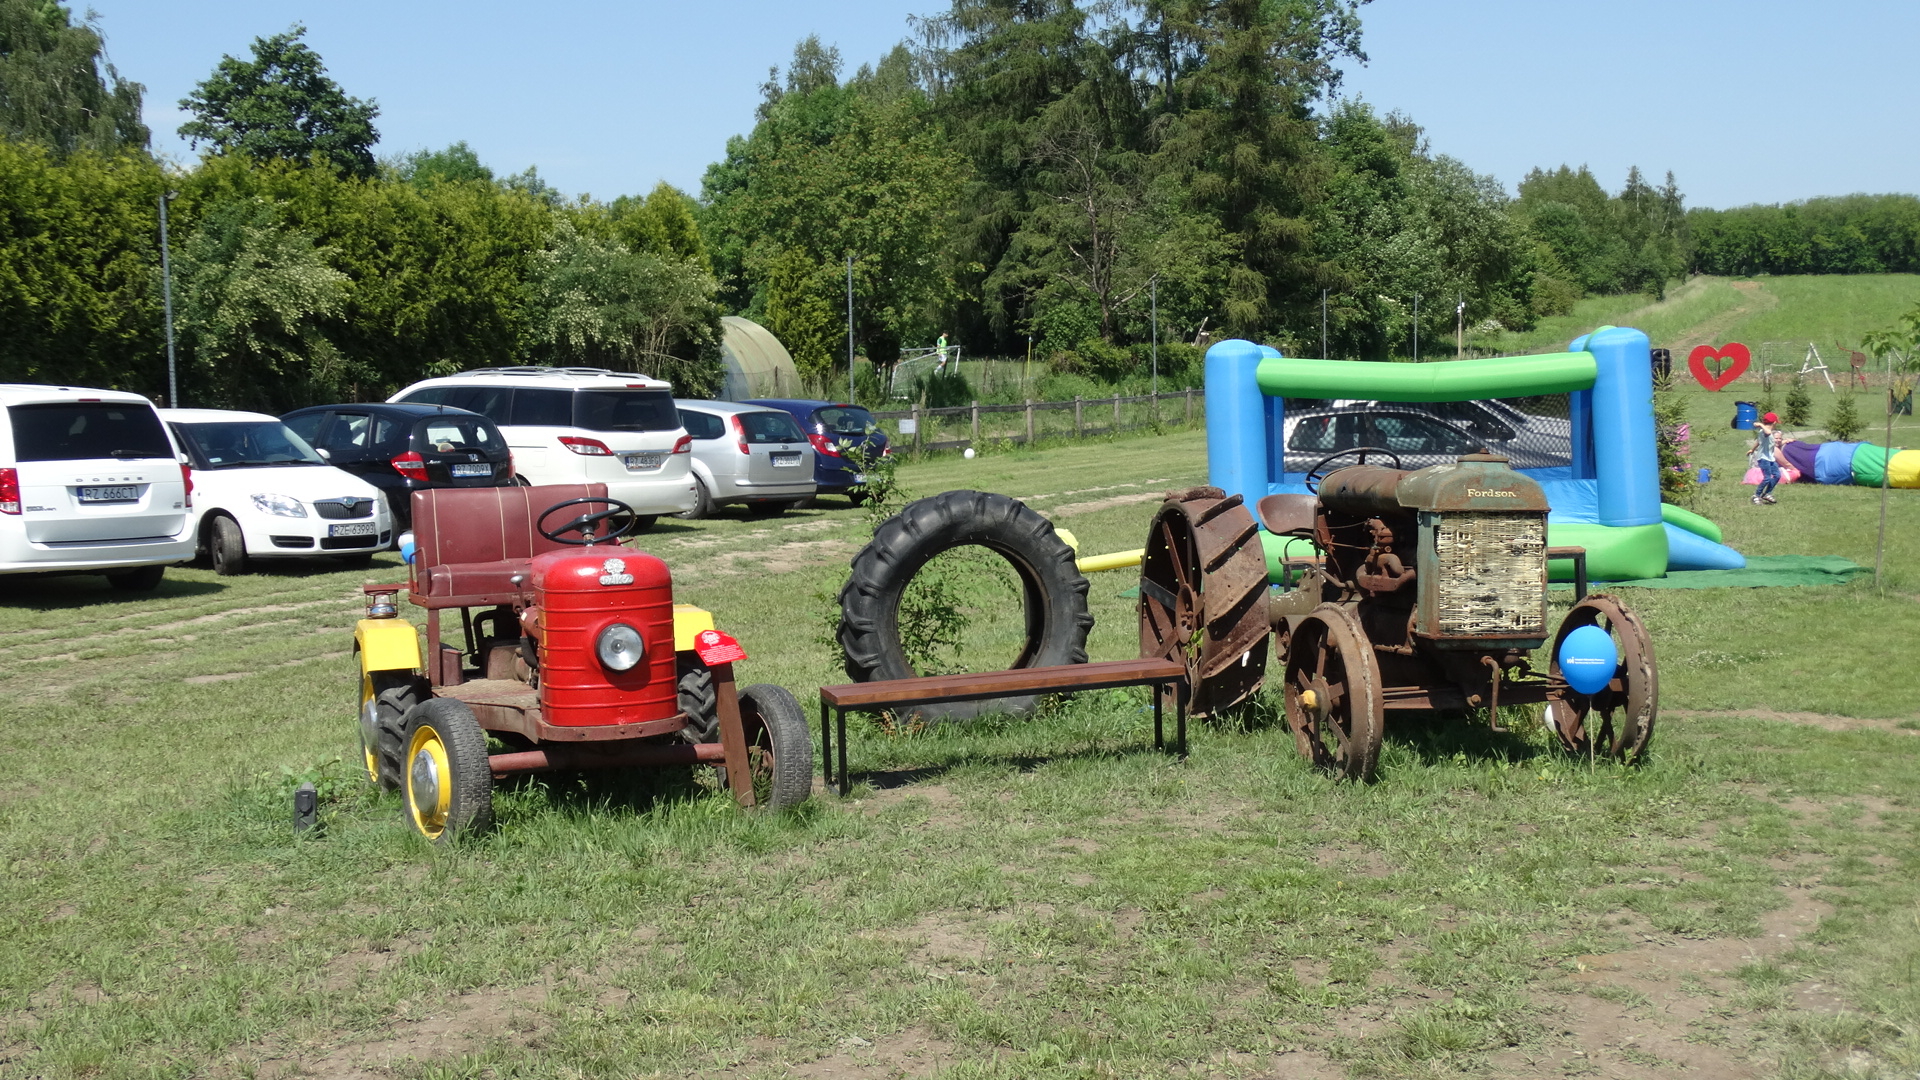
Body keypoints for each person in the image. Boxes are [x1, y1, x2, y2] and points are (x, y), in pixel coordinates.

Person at [1750, 411, 1781, 505]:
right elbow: (1767, 432)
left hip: (1770, 458)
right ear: (1774, 422)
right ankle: (1756, 495)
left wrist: (1752, 450)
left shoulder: (1766, 432)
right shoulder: (1765, 431)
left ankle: (1767, 493)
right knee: (1767, 478)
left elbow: (1759, 442)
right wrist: (1760, 424)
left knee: (1777, 475)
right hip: (1763, 458)